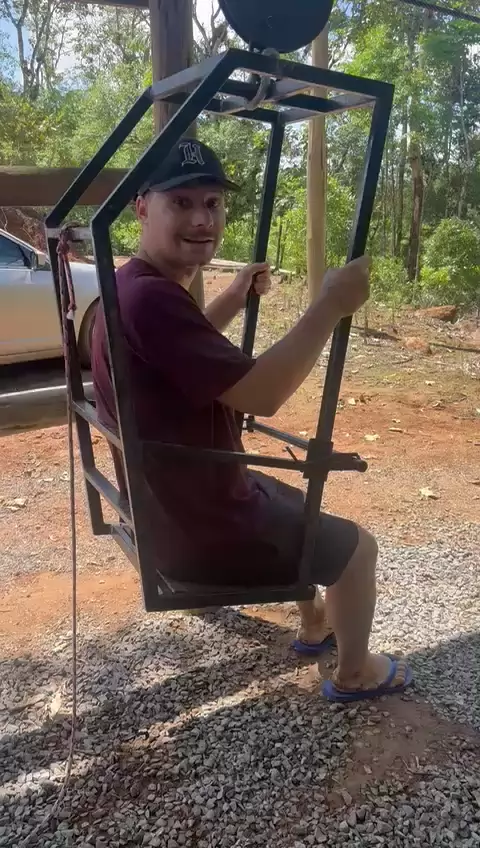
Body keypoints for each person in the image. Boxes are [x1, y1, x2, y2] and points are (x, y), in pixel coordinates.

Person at [91, 137, 413, 703]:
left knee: (289, 498)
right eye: (181, 202)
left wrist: (236, 295)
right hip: (201, 526)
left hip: (176, 502)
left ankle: (315, 622)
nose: (202, 219)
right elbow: (262, 395)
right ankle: (356, 673)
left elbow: (183, 350)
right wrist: (330, 305)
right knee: (358, 550)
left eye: (212, 203)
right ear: (141, 207)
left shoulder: (132, 286)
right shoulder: (153, 301)